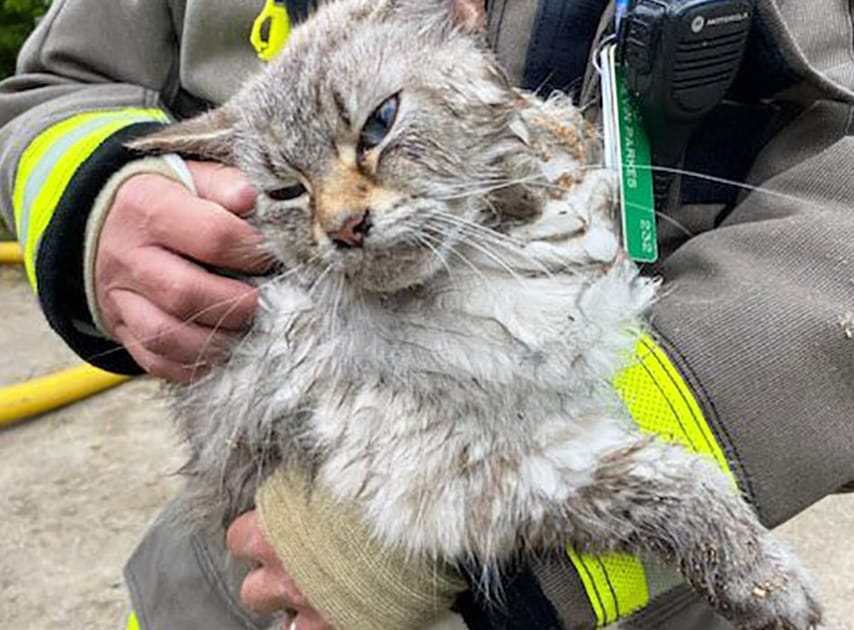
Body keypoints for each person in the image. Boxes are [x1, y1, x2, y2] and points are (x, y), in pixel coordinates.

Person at [1, 0, 853, 628]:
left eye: (377, 126)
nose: (343, 213)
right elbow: (53, 85)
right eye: (293, 192)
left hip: (620, 591)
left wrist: (463, 507)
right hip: (237, 577)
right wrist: (100, 199)